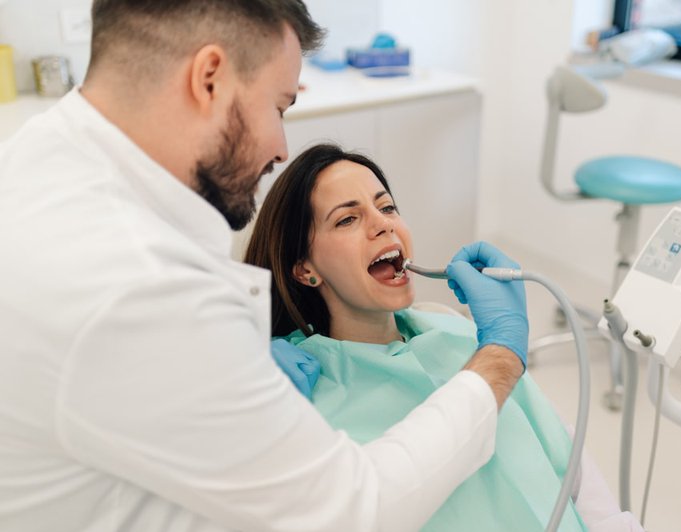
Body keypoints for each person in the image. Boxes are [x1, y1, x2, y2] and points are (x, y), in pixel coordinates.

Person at [0, 1, 530, 530]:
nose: (280, 149)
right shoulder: (140, 287)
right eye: (278, 107)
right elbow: (349, 511)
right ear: (209, 78)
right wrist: (501, 355)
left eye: (387, 207)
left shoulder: (42, 159)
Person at [243, 143, 588, 531]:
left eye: (387, 207)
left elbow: (569, 470)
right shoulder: (309, 405)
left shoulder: (463, 334)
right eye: (347, 219)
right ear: (306, 270)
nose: (383, 224)